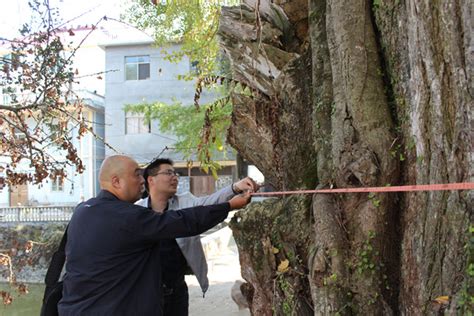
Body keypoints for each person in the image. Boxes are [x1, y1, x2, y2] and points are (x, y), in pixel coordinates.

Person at [58, 155, 251, 316]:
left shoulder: (83, 211)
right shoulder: (129, 215)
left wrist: (231, 191)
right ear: (116, 181)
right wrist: (229, 206)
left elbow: (199, 207)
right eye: (137, 175)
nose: (141, 180)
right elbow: (185, 221)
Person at [136, 158, 258, 316]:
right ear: (151, 179)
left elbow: (210, 204)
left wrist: (234, 188)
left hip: (177, 289)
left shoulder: (186, 201)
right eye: (168, 173)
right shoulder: (137, 212)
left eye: (175, 173)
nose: (175, 177)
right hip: (147, 291)